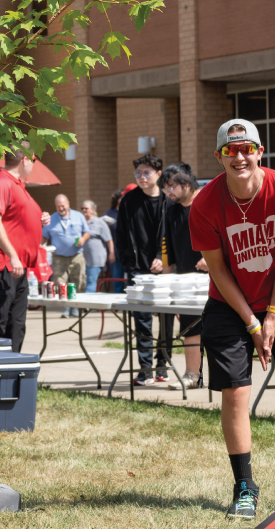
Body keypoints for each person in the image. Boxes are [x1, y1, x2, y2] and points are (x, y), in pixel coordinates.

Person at [190, 119, 275, 520]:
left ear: (261, 152)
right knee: (235, 392)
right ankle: (244, 486)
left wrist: (274, 314)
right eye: (231, 151)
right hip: (230, 303)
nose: (240, 157)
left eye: (247, 148)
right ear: (219, 157)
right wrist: (252, 321)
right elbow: (218, 271)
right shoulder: (204, 204)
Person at [0, 146, 51, 352]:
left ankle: (11, 375)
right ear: (25, 160)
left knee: (16, 325)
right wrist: (13, 256)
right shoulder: (1, 183)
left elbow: (15, 219)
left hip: (17, 267)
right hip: (2, 264)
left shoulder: (18, 186)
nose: (33, 166)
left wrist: (40, 218)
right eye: (34, 161)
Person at [116, 154, 174, 386]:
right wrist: (129, 265)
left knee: (167, 320)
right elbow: (121, 235)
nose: (141, 177)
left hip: (166, 269)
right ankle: (145, 369)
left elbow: (174, 235)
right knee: (142, 320)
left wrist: (164, 259)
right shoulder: (129, 201)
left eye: (146, 172)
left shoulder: (168, 201)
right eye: (138, 173)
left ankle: (163, 366)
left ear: (158, 174)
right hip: (138, 270)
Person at [159, 163, 208, 390]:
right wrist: (169, 286)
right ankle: (192, 376)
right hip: (185, 282)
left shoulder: (207, 202)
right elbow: (167, 250)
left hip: (216, 279)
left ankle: (226, 378)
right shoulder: (171, 210)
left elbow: (226, 236)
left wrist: (212, 259)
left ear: (186, 184)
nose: (168, 193)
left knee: (219, 329)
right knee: (190, 328)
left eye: (171, 187)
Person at [42, 194, 90, 318]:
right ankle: (66, 307)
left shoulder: (78, 216)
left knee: (77, 281)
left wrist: (83, 240)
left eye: (63, 205)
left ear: (68, 204)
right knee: (60, 282)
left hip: (76, 255)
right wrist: (41, 247)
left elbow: (87, 232)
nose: (61, 208)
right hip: (59, 257)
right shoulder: (51, 219)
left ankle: (74, 307)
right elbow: (44, 238)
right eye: (58, 206)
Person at [81, 200, 115, 293]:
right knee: (83, 283)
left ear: (92, 210)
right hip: (83, 260)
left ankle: (88, 305)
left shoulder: (99, 222)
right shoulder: (81, 222)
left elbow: (109, 240)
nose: (84, 210)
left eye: (86, 208)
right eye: (82, 208)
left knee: (91, 282)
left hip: (95, 259)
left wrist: (111, 253)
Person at [101, 189, 125, 293]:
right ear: (116, 199)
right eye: (121, 197)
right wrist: (110, 253)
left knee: (131, 282)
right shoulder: (109, 214)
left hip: (129, 253)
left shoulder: (129, 211)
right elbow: (105, 236)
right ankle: (117, 307)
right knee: (117, 281)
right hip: (115, 253)